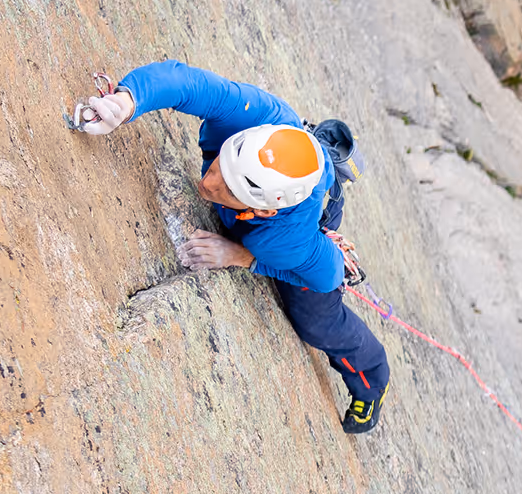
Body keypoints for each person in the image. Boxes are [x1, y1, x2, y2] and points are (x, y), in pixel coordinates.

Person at [70, 60, 389, 434]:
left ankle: (373, 374)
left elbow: (328, 274)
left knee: (314, 322)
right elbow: (186, 82)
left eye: (229, 189)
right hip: (288, 149)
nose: (210, 182)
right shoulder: (253, 117)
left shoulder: (283, 238)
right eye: (221, 163)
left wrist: (243, 256)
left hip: (312, 218)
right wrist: (126, 102)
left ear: (263, 209)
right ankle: (314, 146)